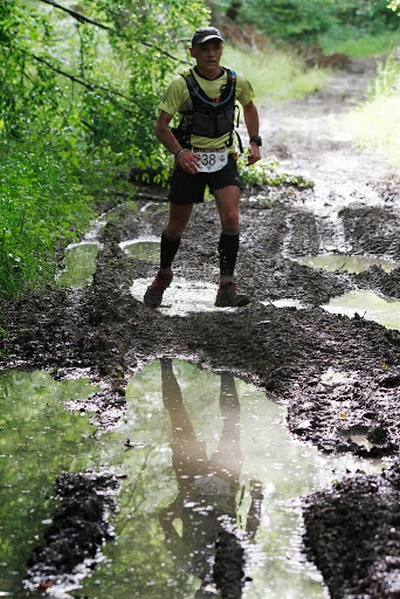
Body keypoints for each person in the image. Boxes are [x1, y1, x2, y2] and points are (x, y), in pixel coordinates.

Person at [144, 26, 262, 309]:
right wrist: (180, 153)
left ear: (222, 50)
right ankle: (163, 275)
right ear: (193, 52)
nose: (211, 54)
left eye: (216, 48)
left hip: (223, 158)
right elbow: (161, 127)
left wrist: (255, 141)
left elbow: (250, 107)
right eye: (204, 49)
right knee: (176, 226)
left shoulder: (236, 80)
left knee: (232, 219)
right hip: (191, 160)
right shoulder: (180, 84)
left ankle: (226, 287)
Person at [158, 359, 263, 598]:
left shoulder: (187, 563)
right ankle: (226, 372)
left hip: (190, 479)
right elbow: (250, 531)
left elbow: (164, 519)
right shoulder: (236, 569)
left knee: (179, 417)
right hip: (225, 483)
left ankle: (165, 363)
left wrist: (185, 500)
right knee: (232, 427)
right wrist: (257, 497)